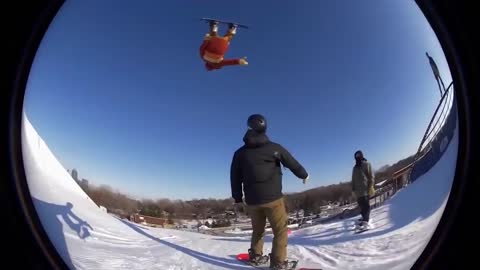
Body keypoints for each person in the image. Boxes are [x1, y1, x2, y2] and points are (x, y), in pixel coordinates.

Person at [230, 114, 309, 269]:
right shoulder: (274, 148)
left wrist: (238, 198)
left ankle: (255, 256)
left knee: (258, 231)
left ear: (248, 128)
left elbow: (235, 177)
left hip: (252, 201)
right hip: (273, 199)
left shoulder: (239, 154)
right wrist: (304, 174)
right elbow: (292, 163)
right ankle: (278, 263)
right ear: (264, 128)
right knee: (280, 231)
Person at [351, 150, 375, 229]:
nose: (357, 157)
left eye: (358, 156)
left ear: (361, 156)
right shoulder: (355, 168)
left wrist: (370, 186)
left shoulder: (367, 164)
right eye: (356, 156)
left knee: (366, 207)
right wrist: (353, 190)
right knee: (361, 206)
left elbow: (371, 176)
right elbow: (353, 180)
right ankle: (364, 218)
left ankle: (366, 222)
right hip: (358, 192)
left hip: (365, 190)